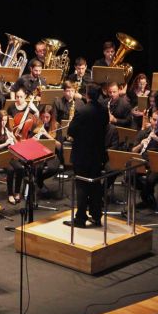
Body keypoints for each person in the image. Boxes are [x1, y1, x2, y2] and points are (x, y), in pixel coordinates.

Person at [66, 84, 109, 228]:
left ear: (87, 95)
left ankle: (80, 219)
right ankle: (96, 216)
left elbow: (71, 131)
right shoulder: (104, 111)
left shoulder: (82, 111)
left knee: (82, 187)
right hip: (97, 154)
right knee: (96, 185)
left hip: (82, 155)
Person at [131, 110, 158, 209]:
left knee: (150, 179)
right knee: (130, 176)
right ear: (150, 119)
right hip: (143, 161)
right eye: (154, 120)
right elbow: (133, 151)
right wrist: (141, 144)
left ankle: (145, 197)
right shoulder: (144, 132)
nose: (156, 123)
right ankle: (147, 194)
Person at [0, 110, 24, 204]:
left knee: (20, 168)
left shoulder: (8, 129)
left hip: (8, 154)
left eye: (5, 120)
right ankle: (10, 194)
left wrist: (13, 137)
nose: (4, 122)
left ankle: (17, 192)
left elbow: (16, 145)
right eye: (2, 120)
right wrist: (5, 143)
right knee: (10, 170)